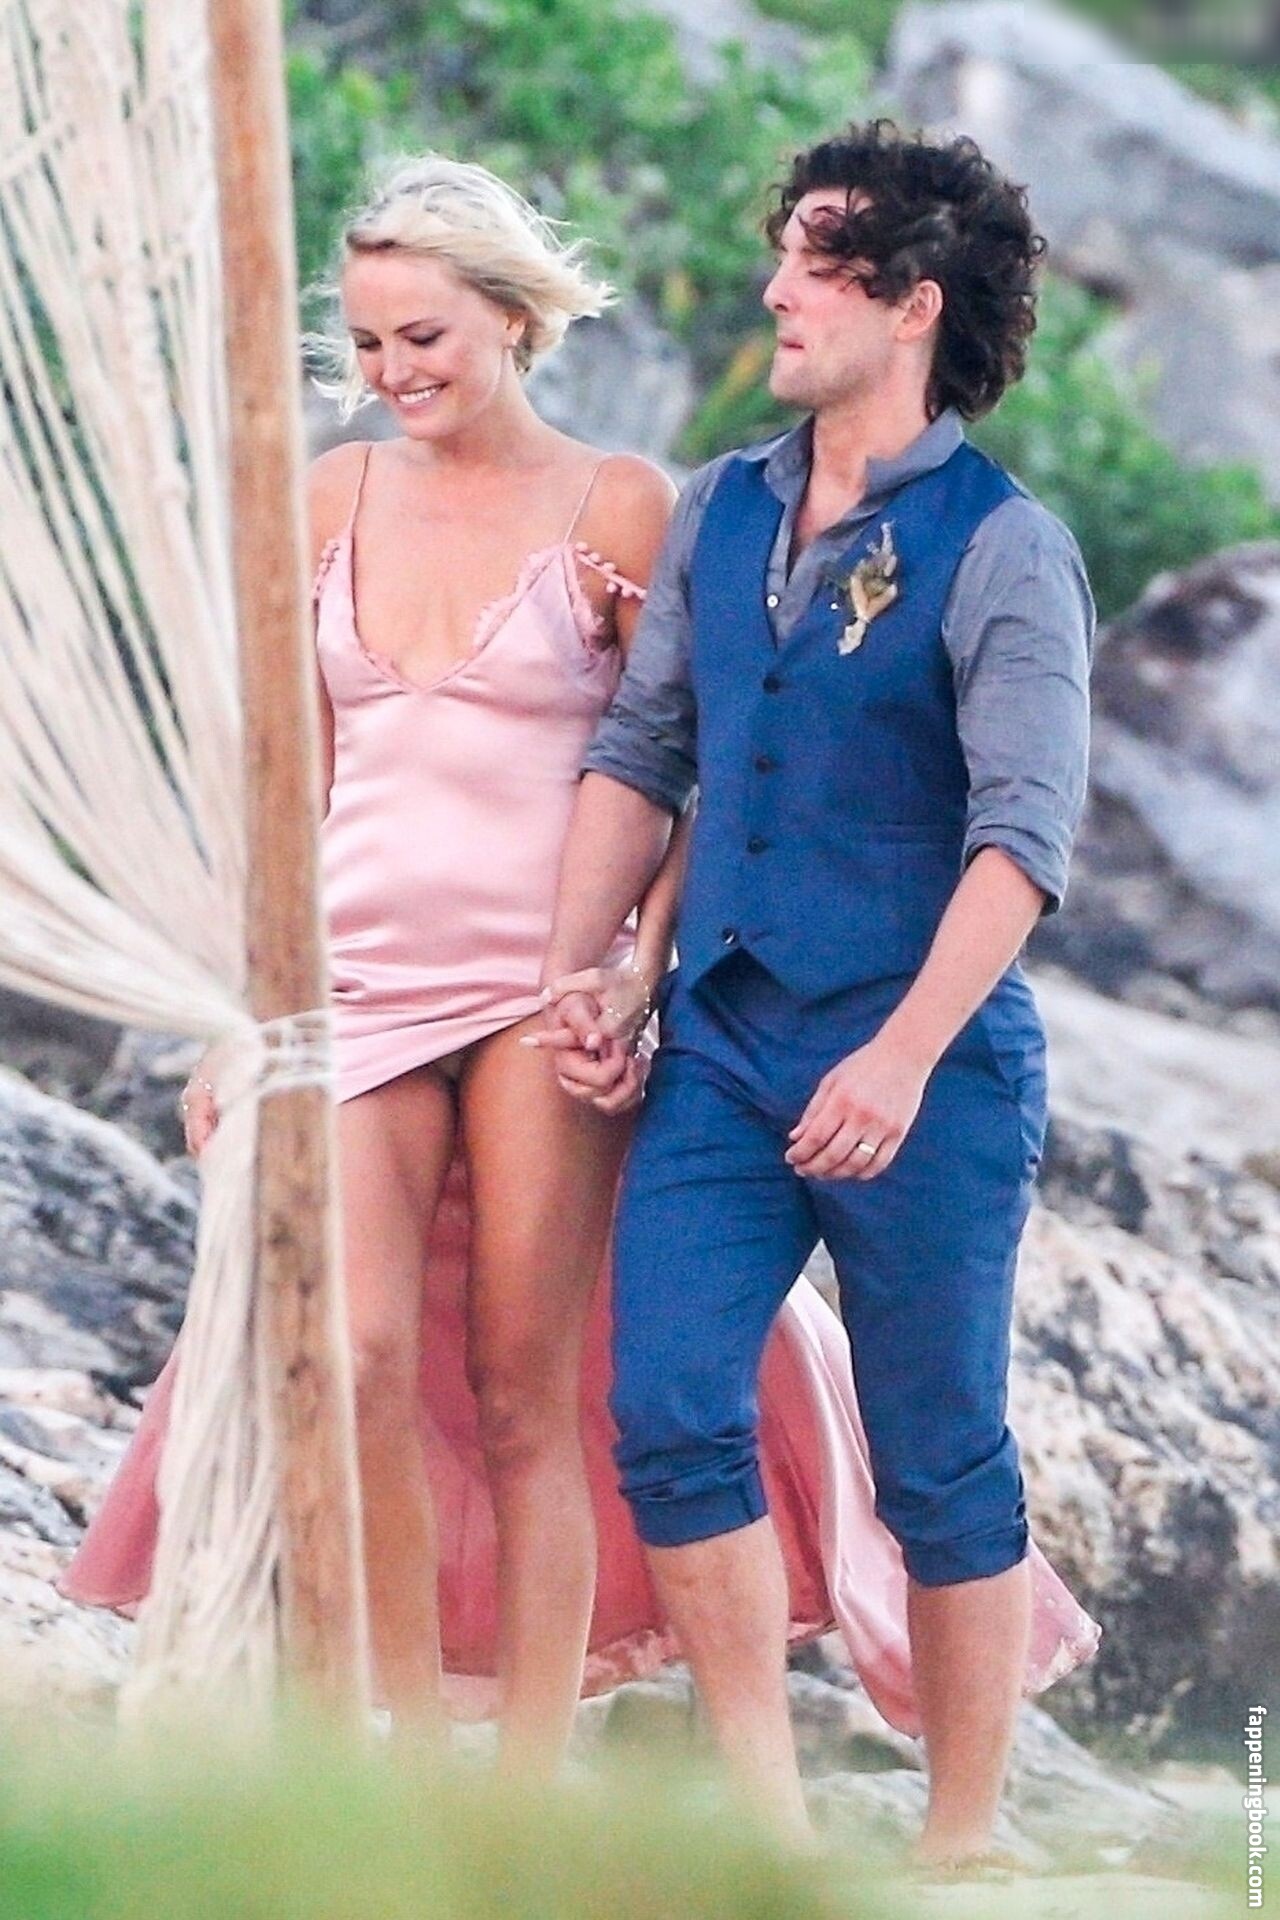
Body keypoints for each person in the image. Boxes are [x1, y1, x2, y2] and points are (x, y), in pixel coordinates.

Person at [64, 148, 1098, 1800]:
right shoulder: (592, 504)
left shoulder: (822, 526)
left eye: (424, 338)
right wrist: (289, 1008)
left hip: (724, 1024)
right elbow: (444, 766)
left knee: (717, 1419)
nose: (393, 372)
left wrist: (715, 994)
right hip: (506, 1009)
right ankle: (520, 1777)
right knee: (484, 1378)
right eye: (370, 341)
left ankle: (791, 1815)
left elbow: (873, 801)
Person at [536, 120, 1094, 1865]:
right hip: (722, 1041)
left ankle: (963, 1841)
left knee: (939, 1450)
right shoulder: (722, 505)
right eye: (782, 252)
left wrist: (906, 1058)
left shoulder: (1007, 547)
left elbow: (1021, 841)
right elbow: (648, 751)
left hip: (930, 1064)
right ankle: (772, 1837)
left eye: (818, 261)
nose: (775, 288)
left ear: (912, 303)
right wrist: (589, 973)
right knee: (667, 1409)